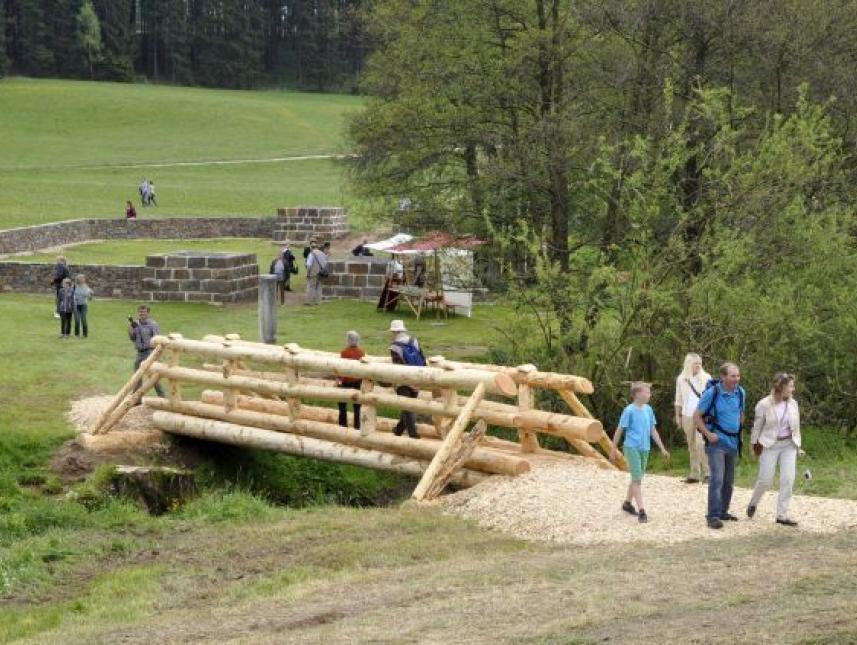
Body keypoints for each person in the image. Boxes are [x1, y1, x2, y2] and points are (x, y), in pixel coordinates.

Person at [694, 362, 746, 529]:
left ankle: (723, 511)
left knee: (729, 480)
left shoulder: (741, 392)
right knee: (717, 478)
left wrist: (739, 430)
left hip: (733, 442)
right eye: (732, 376)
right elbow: (697, 416)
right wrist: (708, 434)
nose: (736, 379)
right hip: (716, 443)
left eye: (737, 376)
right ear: (723, 377)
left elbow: (741, 413)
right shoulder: (712, 393)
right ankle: (713, 516)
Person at [609, 382, 670, 523]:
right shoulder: (629, 410)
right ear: (637, 394)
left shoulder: (648, 410)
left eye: (649, 392)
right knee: (637, 479)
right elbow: (619, 430)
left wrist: (662, 448)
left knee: (637, 477)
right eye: (647, 392)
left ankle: (627, 504)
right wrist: (613, 449)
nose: (650, 394)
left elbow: (652, 430)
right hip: (631, 448)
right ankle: (642, 510)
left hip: (645, 448)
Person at [747, 373, 802, 527]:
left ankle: (781, 515)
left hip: (789, 445)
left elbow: (796, 427)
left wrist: (798, 446)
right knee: (765, 480)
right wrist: (753, 446)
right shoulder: (764, 404)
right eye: (791, 386)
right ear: (782, 387)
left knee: (788, 479)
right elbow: (757, 427)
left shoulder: (793, 404)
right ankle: (753, 503)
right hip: (769, 445)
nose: (793, 389)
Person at [674, 353, 711, 483]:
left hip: (702, 415)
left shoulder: (707, 378)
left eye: (700, 363)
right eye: (695, 363)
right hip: (687, 415)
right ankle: (694, 474)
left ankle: (708, 473)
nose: (698, 365)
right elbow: (678, 399)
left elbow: (711, 397)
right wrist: (677, 416)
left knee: (701, 444)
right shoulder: (682, 379)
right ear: (688, 364)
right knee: (691, 444)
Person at [389, 319, 424, 438]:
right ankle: (398, 430)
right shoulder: (414, 341)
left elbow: (397, 367)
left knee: (407, 408)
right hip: (417, 376)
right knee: (409, 406)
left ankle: (413, 434)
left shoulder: (394, 347)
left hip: (403, 381)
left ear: (394, 332)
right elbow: (422, 358)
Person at [128, 304, 165, 397]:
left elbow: (157, 340)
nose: (141, 314)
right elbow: (133, 338)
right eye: (140, 312)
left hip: (149, 352)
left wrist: (156, 354)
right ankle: (137, 397)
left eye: (144, 312)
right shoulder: (136, 323)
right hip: (139, 353)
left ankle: (162, 396)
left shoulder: (153, 324)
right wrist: (130, 330)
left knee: (152, 375)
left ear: (148, 313)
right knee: (137, 374)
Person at [338, 331, 365, 430]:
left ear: (348, 340)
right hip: (358, 381)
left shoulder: (344, 352)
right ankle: (357, 427)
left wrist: (340, 380)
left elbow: (341, 369)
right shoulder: (361, 352)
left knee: (342, 405)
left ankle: (342, 426)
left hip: (346, 382)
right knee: (357, 407)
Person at [305, 241, 328, 306]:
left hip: (313, 273)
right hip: (321, 273)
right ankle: (318, 301)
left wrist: (307, 273)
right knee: (319, 287)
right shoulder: (322, 253)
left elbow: (309, 265)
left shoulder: (311, 254)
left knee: (311, 287)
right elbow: (325, 263)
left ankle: (310, 301)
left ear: (311, 248)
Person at [72, 274, 93, 338]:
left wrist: (90, 295)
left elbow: (90, 298)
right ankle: (77, 334)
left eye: (83, 278)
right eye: (80, 278)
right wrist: (74, 299)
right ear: (78, 279)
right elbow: (71, 294)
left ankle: (85, 334)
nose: (82, 280)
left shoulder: (86, 287)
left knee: (84, 320)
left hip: (84, 305)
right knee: (77, 320)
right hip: (76, 305)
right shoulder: (74, 286)